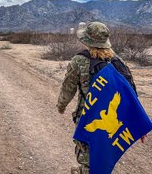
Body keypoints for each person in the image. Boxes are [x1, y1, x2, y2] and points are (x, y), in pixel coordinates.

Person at [56, 21, 138, 174]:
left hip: (88, 117)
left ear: (86, 40)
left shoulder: (79, 61)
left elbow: (68, 88)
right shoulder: (118, 62)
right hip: (114, 123)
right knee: (104, 154)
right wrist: (138, 122)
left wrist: (61, 106)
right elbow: (131, 93)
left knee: (87, 154)